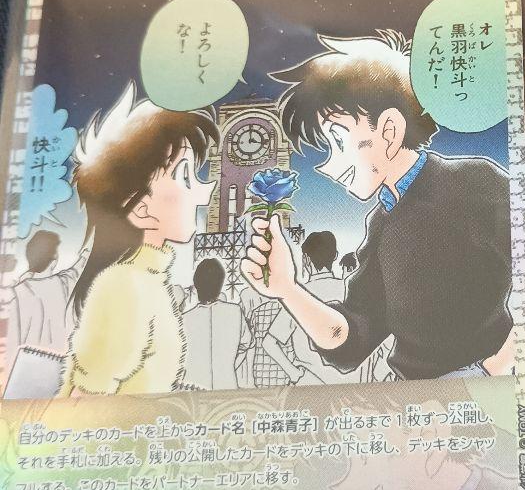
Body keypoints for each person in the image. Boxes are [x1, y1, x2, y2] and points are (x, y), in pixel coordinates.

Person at [240, 32, 515, 381]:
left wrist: (491, 370)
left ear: (389, 130)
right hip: (415, 395)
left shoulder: (474, 181)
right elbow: (351, 337)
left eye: (338, 140)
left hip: (484, 390)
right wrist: (287, 289)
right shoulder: (382, 222)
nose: (328, 166)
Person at [60, 83, 217, 396]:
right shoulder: (125, 285)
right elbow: (86, 402)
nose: (205, 192)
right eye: (186, 177)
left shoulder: (146, 281)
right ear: (142, 209)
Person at [262, 231, 350, 385]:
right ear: (335, 256)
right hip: (353, 385)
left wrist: (295, 374)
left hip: (310, 384)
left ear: (306, 259)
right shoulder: (350, 289)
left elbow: (269, 343)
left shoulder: (297, 295)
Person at [6, 231, 88, 354]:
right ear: (54, 258)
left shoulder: (15, 293)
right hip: (60, 360)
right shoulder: (63, 284)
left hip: (23, 361)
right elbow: (78, 269)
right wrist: (85, 254)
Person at [181, 258, 248, 391]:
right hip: (227, 385)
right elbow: (246, 344)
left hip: (193, 388)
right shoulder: (235, 311)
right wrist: (228, 367)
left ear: (196, 285)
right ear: (220, 284)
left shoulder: (185, 319)